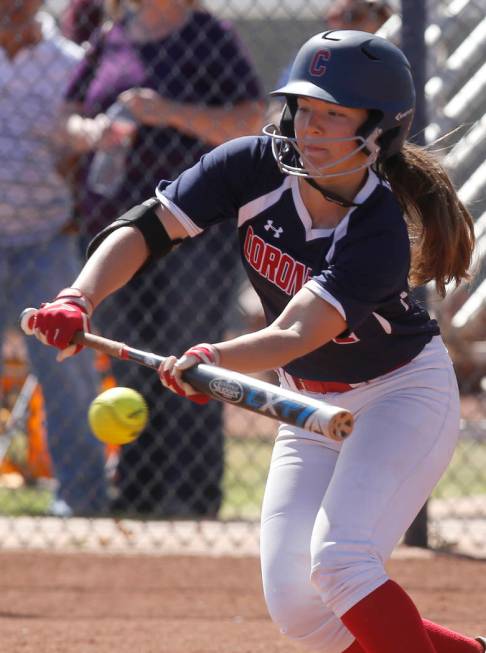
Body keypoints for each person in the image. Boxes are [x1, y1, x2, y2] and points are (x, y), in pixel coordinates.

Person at [24, 29, 483, 652]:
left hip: (400, 397)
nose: (310, 129)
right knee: (301, 609)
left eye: (335, 116)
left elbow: (295, 332)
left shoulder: (377, 231)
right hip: (308, 407)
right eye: (304, 110)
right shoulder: (253, 165)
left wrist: (213, 359)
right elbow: (145, 229)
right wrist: (78, 297)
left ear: (380, 133)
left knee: (342, 561)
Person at [61, 0, 264, 516]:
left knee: (188, 355)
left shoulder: (209, 35)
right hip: (115, 226)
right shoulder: (114, 36)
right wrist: (92, 133)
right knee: (129, 360)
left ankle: (194, 500)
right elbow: (67, 117)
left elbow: (249, 124)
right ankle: (138, 494)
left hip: (193, 230)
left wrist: (166, 111)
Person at [0, 0, 108, 516]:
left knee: (66, 369)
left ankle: (81, 499)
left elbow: (85, 151)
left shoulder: (71, 62)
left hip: (47, 234)